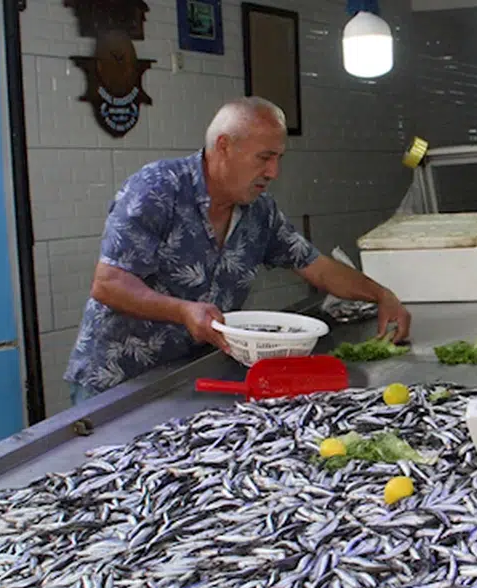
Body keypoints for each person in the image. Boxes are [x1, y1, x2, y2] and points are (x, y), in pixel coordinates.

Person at [64, 96, 412, 403]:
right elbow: (109, 284)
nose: (273, 172)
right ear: (224, 146)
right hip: (118, 383)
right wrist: (183, 311)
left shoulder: (260, 212)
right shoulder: (157, 189)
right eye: (264, 158)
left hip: (191, 374)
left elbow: (318, 268)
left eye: (278, 159)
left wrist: (381, 295)